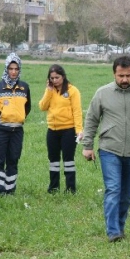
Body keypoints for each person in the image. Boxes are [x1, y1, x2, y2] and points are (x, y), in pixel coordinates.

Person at [81, 56, 130, 243]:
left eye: (128, 75)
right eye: (121, 75)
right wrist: (87, 146)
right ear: (114, 73)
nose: (124, 80)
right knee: (113, 189)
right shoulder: (102, 93)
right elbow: (91, 119)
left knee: (127, 193)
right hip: (109, 150)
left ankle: (120, 226)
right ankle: (113, 231)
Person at [0, 53, 31, 195]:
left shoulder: (25, 87)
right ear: (6, 68)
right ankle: (0, 189)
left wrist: (20, 116)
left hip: (17, 130)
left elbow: (28, 107)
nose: (13, 72)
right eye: (11, 68)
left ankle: (10, 190)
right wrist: (3, 115)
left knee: (13, 159)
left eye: (16, 69)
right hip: (0, 129)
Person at [38, 64, 83, 194]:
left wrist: (79, 130)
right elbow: (42, 106)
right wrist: (48, 90)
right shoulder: (51, 90)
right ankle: (53, 187)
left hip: (68, 130)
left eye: (57, 77)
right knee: (53, 161)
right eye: (52, 78)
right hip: (52, 130)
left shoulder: (72, 90)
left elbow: (77, 111)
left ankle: (70, 188)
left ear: (63, 76)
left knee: (68, 160)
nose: (54, 80)